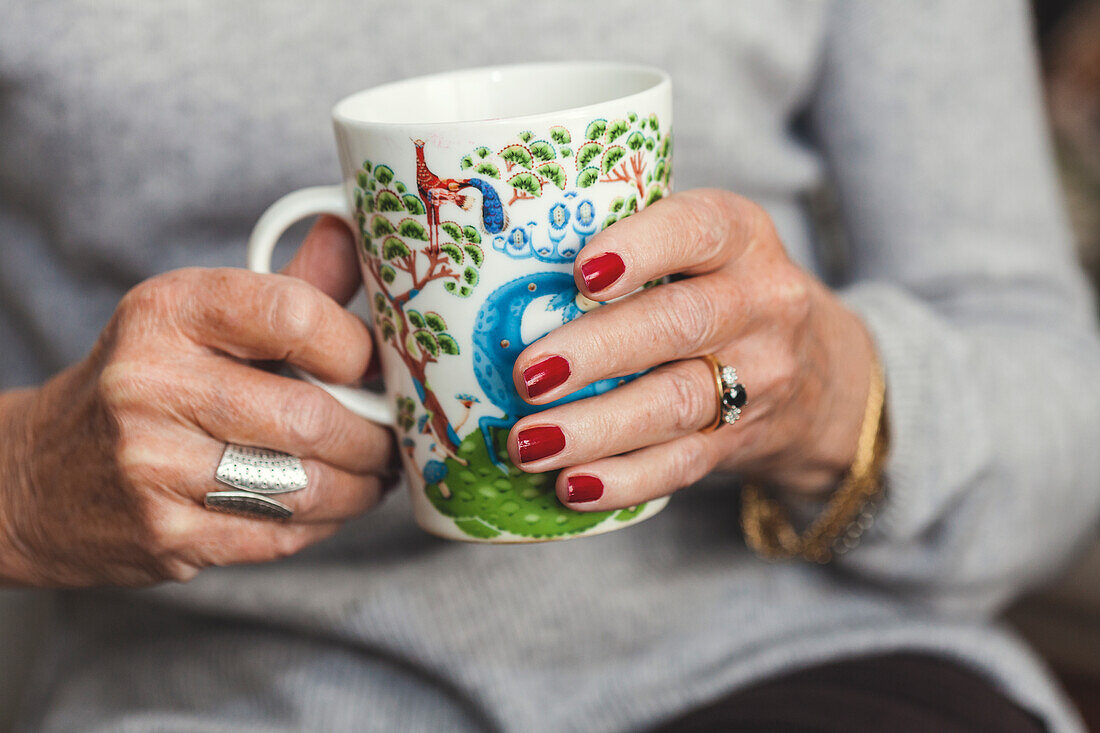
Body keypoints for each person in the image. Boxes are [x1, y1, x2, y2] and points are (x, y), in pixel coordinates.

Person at [2, 1, 1099, 731]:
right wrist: (26, 486)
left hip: (787, 656)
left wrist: (826, 395)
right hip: (216, 690)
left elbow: (1048, 387)